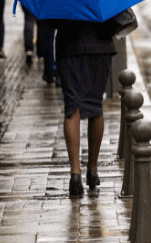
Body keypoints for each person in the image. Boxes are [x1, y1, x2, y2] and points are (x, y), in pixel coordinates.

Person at [48, 19, 116, 197]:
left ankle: (75, 173)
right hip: (100, 45)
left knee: (72, 106)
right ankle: (92, 170)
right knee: (95, 105)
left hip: (68, 46)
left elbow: (48, 21)